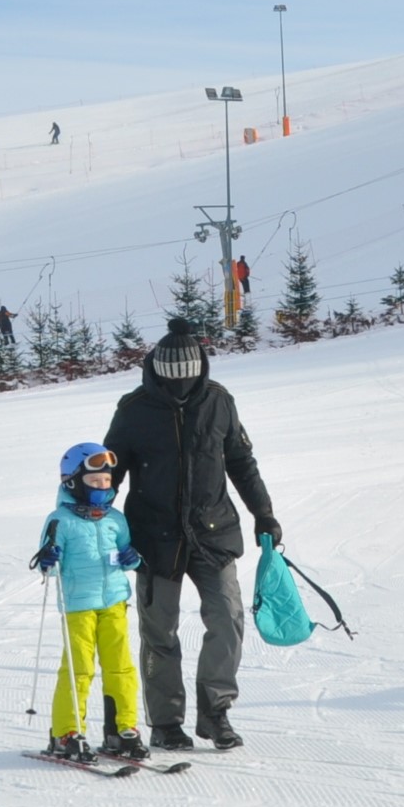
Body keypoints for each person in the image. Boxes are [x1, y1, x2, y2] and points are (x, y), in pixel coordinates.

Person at [102, 321, 280, 751]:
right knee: (159, 632)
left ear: (199, 369)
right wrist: (87, 519)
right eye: (170, 377)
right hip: (153, 538)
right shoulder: (133, 409)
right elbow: (109, 473)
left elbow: (241, 462)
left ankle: (215, 712)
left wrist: (264, 514)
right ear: (157, 371)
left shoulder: (219, 401)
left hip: (213, 531)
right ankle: (166, 723)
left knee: (228, 619)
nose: (179, 385)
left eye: (187, 376)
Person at [24, 444, 147, 763]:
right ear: (73, 483)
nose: (102, 488)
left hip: (114, 603)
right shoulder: (60, 520)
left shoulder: (115, 519)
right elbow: (45, 566)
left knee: (121, 666)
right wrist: (49, 559)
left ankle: (123, 729)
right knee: (79, 668)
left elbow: (126, 553)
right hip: (79, 605)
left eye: (106, 482)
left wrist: (132, 559)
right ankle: (66, 732)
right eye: (94, 482)